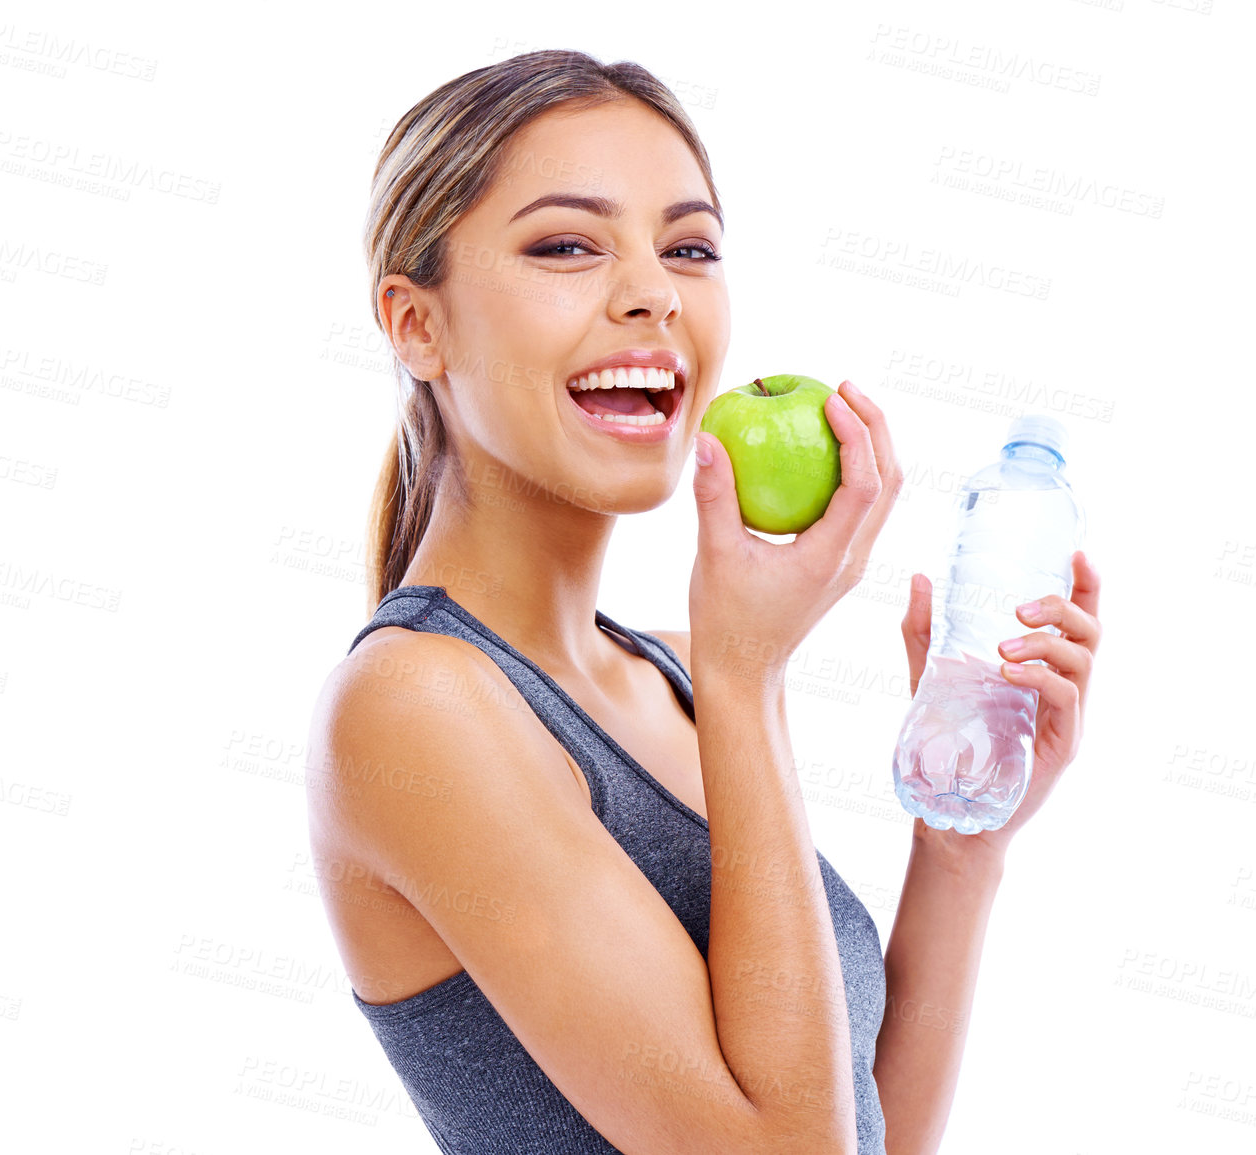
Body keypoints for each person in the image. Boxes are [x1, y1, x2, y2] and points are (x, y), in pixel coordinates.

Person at [305, 49, 1102, 1155]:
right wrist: (749, 677)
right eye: (567, 246)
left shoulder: (679, 672)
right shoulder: (415, 706)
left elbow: (866, 1131)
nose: (653, 294)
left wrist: (963, 848)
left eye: (688, 248)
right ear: (415, 325)